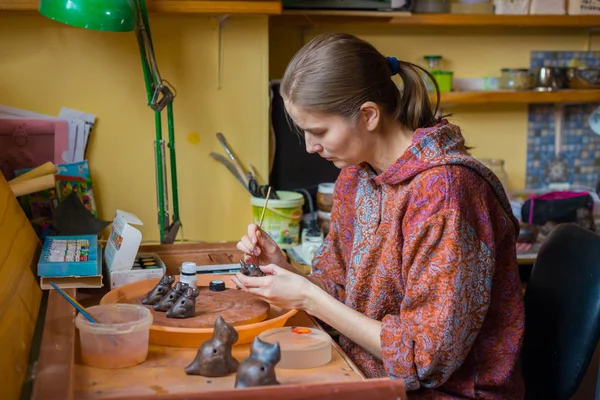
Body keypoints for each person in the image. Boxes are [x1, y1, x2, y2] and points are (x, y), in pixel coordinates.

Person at [232, 32, 525, 399]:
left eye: (319, 131)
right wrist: (286, 272)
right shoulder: (357, 176)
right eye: (304, 133)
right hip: (365, 373)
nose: (310, 148)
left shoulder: (446, 192)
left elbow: (425, 361)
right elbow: (339, 292)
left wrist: (308, 297)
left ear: (369, 115)